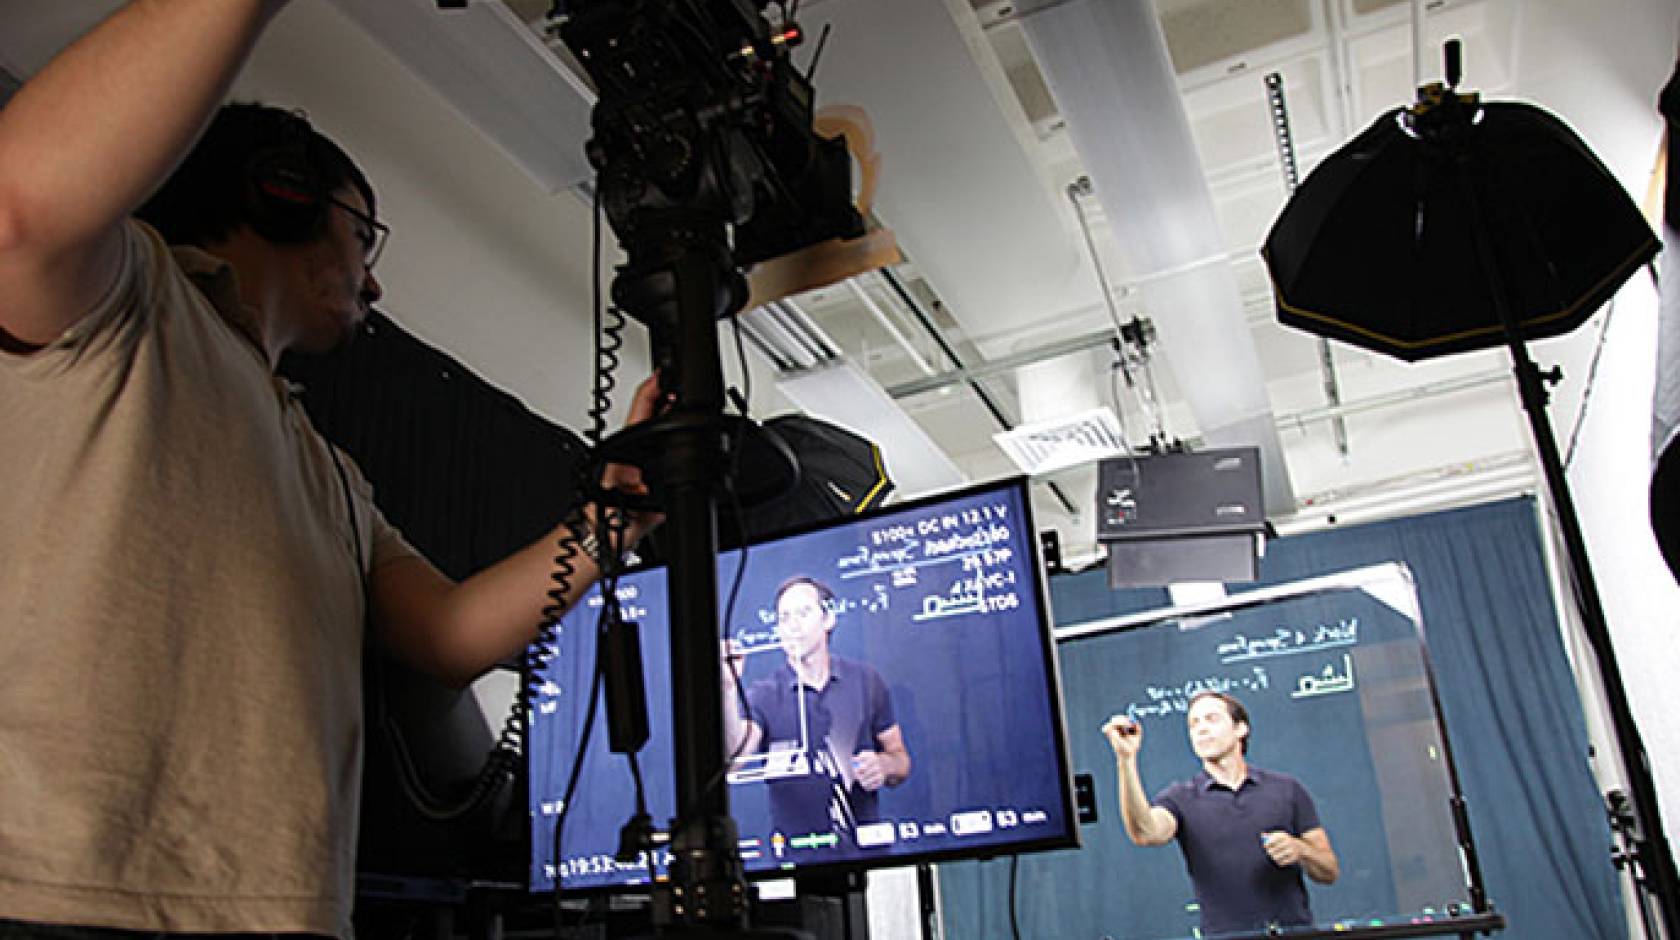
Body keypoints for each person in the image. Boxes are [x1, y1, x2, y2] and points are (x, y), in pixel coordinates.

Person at [0, 2, 659, 936]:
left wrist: (613, 518)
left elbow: (449, 636)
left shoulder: (330, 469)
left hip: (286, 912)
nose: (373, 280)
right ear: (283, 195)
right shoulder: (128, 303)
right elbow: (17, 211)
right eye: (363, 234)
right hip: (62, 897)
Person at [1102, 691, 1339, 936]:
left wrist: (1301, 850)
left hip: (1294, 933)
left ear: (1240, 728)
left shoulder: (1287, 789)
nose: (1201, 729)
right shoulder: (1181, 799)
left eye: (1211, 719)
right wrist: (1126, 760)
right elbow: (1145, 832)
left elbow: (1329, 870)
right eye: (1194, 724)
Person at [722, 576, 911, 846]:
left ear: (828, 619)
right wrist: (728, 688)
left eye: (803, 613)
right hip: (798, 852)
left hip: (867, 849)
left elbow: (900, 759)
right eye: (784, 617)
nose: (793, 625)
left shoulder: (865, 681)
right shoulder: (764, 695)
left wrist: (883, 765)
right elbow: (734, 760)